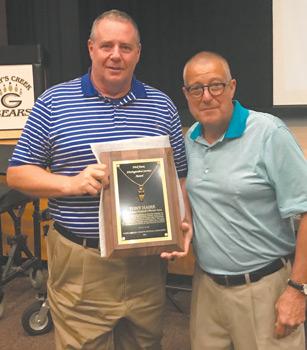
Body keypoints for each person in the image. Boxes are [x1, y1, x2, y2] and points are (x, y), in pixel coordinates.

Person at [7, 10, 191, 350]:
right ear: (91, 48)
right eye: (107, 45)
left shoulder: (162, 106)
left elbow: (179, 177)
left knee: (145, 344)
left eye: (126, 46)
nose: (116, 55)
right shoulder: (53, 103)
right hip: (81, 261)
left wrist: (183, 220)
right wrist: (70, 184)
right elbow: (18, 172)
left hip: (144, 263)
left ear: (138, 52)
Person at [182, 51, 307, 350]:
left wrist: (299, 290)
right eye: (196, 89)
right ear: (186, 94)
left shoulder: (268, 133)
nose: (207, 96)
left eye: (216, 86)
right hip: (206, 289)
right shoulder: (189, 140)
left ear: (232, 87)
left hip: (264, 289)